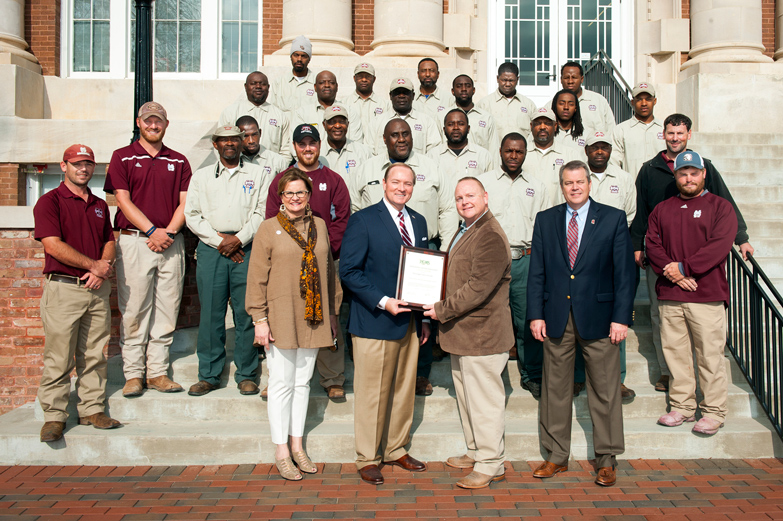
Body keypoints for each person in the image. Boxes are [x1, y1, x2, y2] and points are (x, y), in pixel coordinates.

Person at [527, 160, 635, 487]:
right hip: (557, 317)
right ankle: (556, 456)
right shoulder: (546, 220)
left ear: (590, 184)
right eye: (568, 183)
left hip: (601, 319)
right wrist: (535, 314)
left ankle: (607, 458)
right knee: (555, 390)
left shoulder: (613, 218)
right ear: (561, 186)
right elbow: (537, 273)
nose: (574, 187)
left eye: (579, 182)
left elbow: (624, 275)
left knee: (604, 390)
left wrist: (621, 318)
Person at [630, 113, 753, 393]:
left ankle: (701, 378)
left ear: (688, 136)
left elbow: (726, 202)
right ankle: (666, 372)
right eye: (671, 133)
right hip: (660, 254)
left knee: (700, 325)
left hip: (697, 258)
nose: (675, 138)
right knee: (661, 316)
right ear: (663, 134)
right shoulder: (649, 169)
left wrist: (741, 237)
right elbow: (641, 210)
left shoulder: (702, 166)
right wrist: (638, 245)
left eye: (681, 133)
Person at [246, 169, 341, 480]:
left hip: (314, 317)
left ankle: (298, 445)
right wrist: (259, 319)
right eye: (289, 193)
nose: (296, 198)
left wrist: (333, 313)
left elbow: (329, 272)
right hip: (281, 315)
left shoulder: (320, 226)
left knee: (302, 383)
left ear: (309, 195)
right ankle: (281, 449)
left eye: (301, 192)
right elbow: (257, 278)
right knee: (281, 384)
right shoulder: (268, 228)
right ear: (281, 197)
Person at [340, 163, 431, 486]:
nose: (402, 188)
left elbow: (422, 271)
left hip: (409, 323)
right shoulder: (363, 220)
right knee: (372, 394)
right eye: (396, 182)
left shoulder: (418, 221)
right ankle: (368, 456)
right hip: (374, 320)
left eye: (408, 183)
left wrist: (422, 320)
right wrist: (383, 300)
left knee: (404, 390)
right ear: (383, 183)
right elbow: (349, 272)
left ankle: (396, 447)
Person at [353, 119, 458, 394]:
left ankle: (420, 373)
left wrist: (444, 251)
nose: (401, 139)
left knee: (422, 315)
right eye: (394, 135)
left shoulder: (431, 167)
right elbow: (355, 205)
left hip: (425, 252)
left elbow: (447, 208)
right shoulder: (368, 170)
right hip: (378, 252)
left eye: (406, 134)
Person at [423, 177, 514, 489]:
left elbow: (477, 288)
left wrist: (441, 309)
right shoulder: (467, 229)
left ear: (485, 197)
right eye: (459, 197)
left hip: (483, 335)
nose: (464, 202)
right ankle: (476, 451)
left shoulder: (489, 234)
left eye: (470, 196)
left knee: (485, 403)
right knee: (468, 401)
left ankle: (491, 463)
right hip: (464, 334)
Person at [34, 144, 122, 443]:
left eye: (88, 164)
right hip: (64, 288)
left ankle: (92, 409)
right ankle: (54, 417)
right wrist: (94, 266)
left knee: (94, 354)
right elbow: (52, 244)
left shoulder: (99, 204)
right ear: (64, 166)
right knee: (59, 356)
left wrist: (103, 267)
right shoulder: (49, 202)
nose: (83, 169)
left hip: (96, 290)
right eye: (77, 164)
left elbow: (109, 241)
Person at [645, 151, 736, 436]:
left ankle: (713, 411)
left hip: (706, 295)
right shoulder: (662, 209)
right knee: (676, 354)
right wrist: (673, 273)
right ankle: (682, 407)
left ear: (703, 174)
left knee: (709, 356)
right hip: (671, 295)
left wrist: (685, 268)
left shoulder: (720, 207)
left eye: (694, 172)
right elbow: (652, 244)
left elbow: (719, 246)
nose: (688, 178)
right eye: (683, 173)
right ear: (676, 176)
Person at [105, 101, 191, 397]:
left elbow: (185, 202)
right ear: (139, 123)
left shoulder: (179, 160)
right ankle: (133, 374)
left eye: (159, 121)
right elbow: (122, 200)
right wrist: (151, 230)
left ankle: (157, 372)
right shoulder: (123, 157)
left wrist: (168, 231)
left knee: (168, 310)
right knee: (134, 309)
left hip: (171, 241)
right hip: (136, 241)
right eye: (148, 121)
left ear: (166, 124)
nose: (154, 125)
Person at [184, 125, 275, 397]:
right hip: (212, 250)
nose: (230, 144)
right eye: (224, 140)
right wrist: (219, 241)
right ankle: (209, 374)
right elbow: (192, 214)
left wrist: (239, 239)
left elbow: (262, 212)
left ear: (242, 142)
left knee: (247, 313)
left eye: (235, 139)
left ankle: (246, 374)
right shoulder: (201, 177)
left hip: (246, 249)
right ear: (215, 144)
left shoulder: (259, 174)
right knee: (211, 314)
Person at [265, 124, 350, 400]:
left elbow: (342, 220)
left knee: (328, 317)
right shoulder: (281, 181)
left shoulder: (333, 180)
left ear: (319, 145)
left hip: (325, 260)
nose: (307, 148)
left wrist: (322, 250)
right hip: (287, 264)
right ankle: (277, 378)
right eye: (302, 144)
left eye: (311, 143)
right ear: (294, 147)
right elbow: (270, 220)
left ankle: (332, 377)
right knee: (285, 318)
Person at [478, 133, 549, 397]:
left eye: (519, 152)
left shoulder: (538, 186)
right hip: (492, 261)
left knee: (527, 319)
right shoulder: (483, 183)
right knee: (489, 318)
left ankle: (532, 374)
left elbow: (544, 228)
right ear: (500, 151)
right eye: (509, 151)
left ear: (526, 153)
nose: (513, 156)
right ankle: (488, 376)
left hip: (526, 259)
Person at [577, 131, 637, 400]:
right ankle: (580, 376)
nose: (599, 151)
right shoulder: (578, 176)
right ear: (586, 149)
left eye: (605, 147)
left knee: (617, 316)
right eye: (594, 147)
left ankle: (618, 378)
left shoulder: (623, 179)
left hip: (612, 258)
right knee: (575, 317)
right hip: (578, 257)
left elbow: (631, 214)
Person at [218, 71, 291, 156]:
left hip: (272, 167)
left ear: (268, 87)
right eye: (253, 83)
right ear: (245, 87)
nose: (258, 87)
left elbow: (287, 149)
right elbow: (220, 143)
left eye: (262, 84)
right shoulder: (230, 113)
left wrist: (278, 166)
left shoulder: (280, 116)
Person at [523, 107, 585, 207]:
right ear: (531, 126)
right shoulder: (521, 154)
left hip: (559, 217)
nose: (542, 127)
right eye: (538, 123)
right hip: (528, 216)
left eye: (547, 123)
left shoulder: (570, 154)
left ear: (555, 126)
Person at [366, 77, 443, 156]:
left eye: (405, 92)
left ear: (413, 95)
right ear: (390, 96)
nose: (401, 96)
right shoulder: (376, 122)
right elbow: (369, 152)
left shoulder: (427, 122)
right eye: (397, 93)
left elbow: (434, 153)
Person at [292, 70, 363, 146]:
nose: (327, 85)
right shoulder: (302, 113)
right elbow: (296, 145)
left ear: (337, 87)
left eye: (331, 83)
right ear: (315, 87)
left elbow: (356, 145)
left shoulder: (349, 112)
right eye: (322, 82)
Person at [610, 82, 664, 177]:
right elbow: (614, 163)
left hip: (661, 187)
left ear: (654, 101)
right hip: (632, 187)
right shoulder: (621, 130)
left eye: (648, 99)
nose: (644, 103)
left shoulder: (665, 129)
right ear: (632, 102)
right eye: (639, 100)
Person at [477, 62, 537, 141]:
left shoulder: (528, 105)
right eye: (504, 80)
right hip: (494, 152)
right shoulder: (484, 104)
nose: (508, 84)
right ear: (497, 79)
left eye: (511, 80)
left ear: (517, 79)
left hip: (522, 152)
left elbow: (535, 131)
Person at [428, 109, 494, 181]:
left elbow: (491, 185)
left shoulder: (483, 156)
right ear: (444, 130)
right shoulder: (432, 156)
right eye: (450, 124)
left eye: (461, 124)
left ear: (468, 129)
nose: (456, 128)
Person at [316, 103, 373, 184]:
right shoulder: (317, 153)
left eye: (342, 121)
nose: (338, 125)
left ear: (348, 124)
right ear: (324, 125)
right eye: (332, 122)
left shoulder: (363, 152)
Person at [559, 61, 615, 132]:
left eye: (574, 77)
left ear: (581, 79)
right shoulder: (552, 105)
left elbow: (611, 129)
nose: (570, 81)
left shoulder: (598, 101)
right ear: (561, 80)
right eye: (567, 77)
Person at [448, 75, 499, 153]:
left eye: (468, 86)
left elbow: (493, 149)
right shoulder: (442, 116)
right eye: (459, 86)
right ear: (453, 91)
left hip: (480, 164)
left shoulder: (486, 118)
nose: (464, 89)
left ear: (474, 90)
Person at [343, 62, 392, 137]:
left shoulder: (385, 105)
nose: (364, 79)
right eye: (360, 76)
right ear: (354, 78)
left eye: (368, 77)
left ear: (374, 79)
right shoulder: (344, 104)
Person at [271, 35, 317, 113]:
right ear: (291, 57)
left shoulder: (317, 82)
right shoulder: (279, 83)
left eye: (303, 56)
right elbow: (274, 111)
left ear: (309, 59)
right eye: (296, 55)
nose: (299, 59)